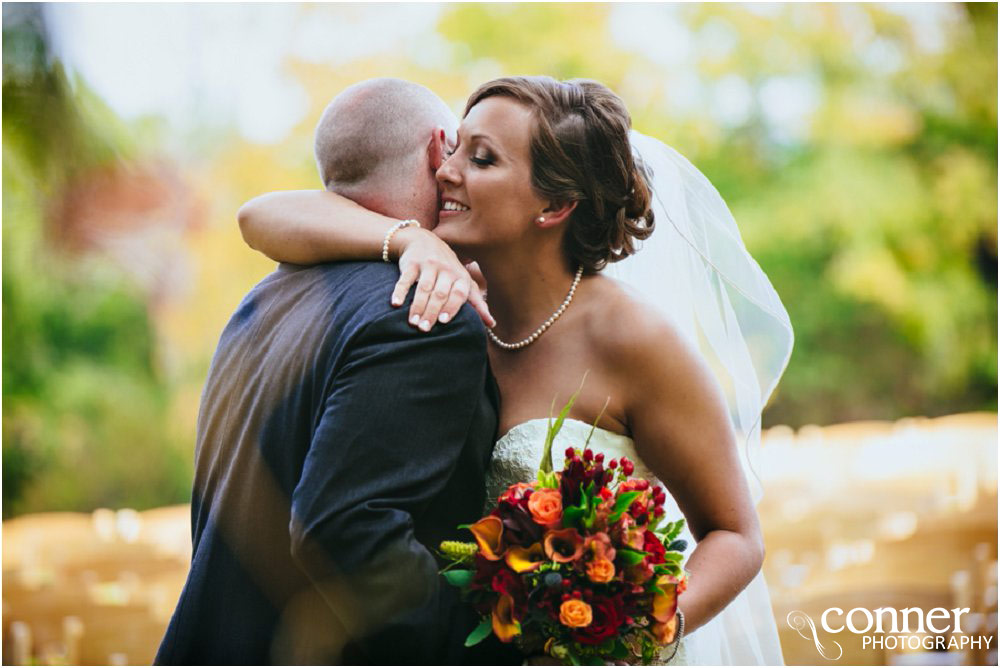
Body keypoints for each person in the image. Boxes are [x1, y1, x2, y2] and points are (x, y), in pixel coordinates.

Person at [239, 75, 793, 664]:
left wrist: (634, 629)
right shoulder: (446, 304)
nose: (446, 171)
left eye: (480, 159)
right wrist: (405, 240)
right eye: (453, 148)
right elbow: (259, 216)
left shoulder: (632, 339)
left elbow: (735, 535)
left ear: (553, 206)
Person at [155, 78, 522, 665]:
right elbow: (346, 529)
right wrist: (490, 644)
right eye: (460, 153)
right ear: (438, 150)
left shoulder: (265, 298)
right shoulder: (426, 314)